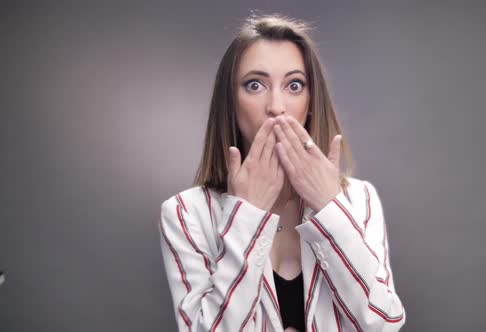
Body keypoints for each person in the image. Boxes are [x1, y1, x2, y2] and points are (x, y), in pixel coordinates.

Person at [159, 13, 405, 332]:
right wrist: (247, 216)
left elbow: (382, 323)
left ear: (310, 101)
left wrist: (329, 207)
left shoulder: (359, 199)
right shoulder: (185, 214)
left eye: (293, 85)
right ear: (230, 104)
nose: (276, 106)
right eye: (255, 85)